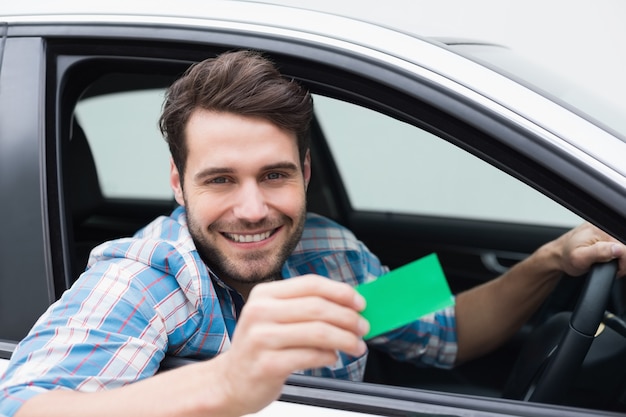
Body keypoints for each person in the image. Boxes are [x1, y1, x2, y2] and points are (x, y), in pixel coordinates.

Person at [1, 50, 625, 417]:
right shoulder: (148, 275)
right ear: (178, 182)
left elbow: (451, 330)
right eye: (220, 180)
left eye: (273, 175)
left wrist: (549, 261)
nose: (252, 210)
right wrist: (226, 381)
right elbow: (23, 406)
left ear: (304, 171)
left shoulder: (329, 250)